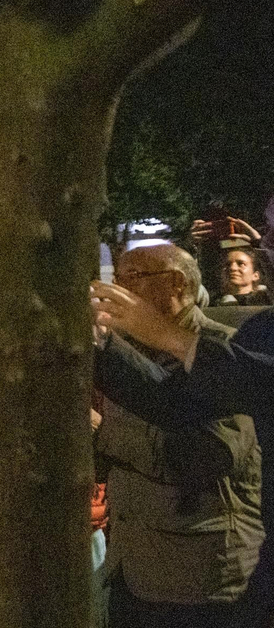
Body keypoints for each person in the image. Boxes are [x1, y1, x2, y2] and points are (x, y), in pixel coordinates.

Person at [91, 245, 261, 627]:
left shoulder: (225, 349)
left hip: (198, 577)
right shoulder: (127, 350)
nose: (117, 287)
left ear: (175, 283)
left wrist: (103, 431)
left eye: (131, 278)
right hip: (130, 569)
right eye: (115, 278)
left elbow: (208, 456)